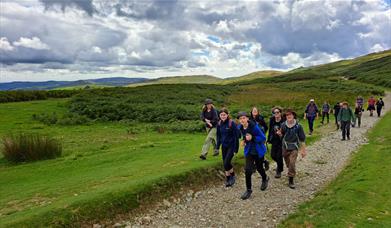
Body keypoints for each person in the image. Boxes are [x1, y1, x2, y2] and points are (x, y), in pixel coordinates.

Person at [237, 112, 269, 200]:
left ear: (247, 119)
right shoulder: (240, 127)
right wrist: (243, 141)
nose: (242, 120)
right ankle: (248, 190)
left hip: (258, 151)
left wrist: (253, 138)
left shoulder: (254, 127)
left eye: (243, 118)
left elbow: (263, 138)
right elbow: (244, 136)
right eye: (240, 119)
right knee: (248, 170)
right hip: (249, 151)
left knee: (259, 168)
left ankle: (265, 178)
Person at [278, 109, 306, 189]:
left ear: (293, 116)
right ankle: (291, 170)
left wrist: (303, 150)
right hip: (285, 147)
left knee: (292, 163)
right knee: (288, 163)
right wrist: (279, 134)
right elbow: (281, 135)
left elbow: (302, 139)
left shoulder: (298, 126)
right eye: (287, 115)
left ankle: (291, 180)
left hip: (294, 147)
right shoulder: (283, 125)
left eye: (290, 115)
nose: (289, 116)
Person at [216, 108, 240, 187]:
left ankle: (232, 176)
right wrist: (217, 146)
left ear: (227, 115)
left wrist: (236, 149)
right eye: (221, 115)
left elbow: (236, 137)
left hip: (231, 146)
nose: (223, 116)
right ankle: (228, 178)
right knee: (225, 163)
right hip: (224, 146)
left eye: (224, 115)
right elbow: (218, 136)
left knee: (226, 162)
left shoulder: (231, 123)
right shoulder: (219, 123)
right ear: (219, 115)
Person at [250, 106, 270, 171]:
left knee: (260, 150)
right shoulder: (249, 119)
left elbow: (266, 127)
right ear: (251, 112)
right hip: (252, 137)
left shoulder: (261, 118)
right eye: (253, 111)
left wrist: (263, 134)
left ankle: (265, 161)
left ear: (258, 112)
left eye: (256, 111)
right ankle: (254, 166)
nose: (255, 112)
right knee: (253, 151)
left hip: (260, 137)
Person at [268, 106, 285, 178]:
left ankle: (279, 170)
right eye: (274, 113)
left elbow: (286, 131)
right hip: (274, 140)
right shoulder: (272, 120)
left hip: (281, 141)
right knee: (273, 155)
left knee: (279, 156)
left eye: (277, 112)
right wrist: (268, 139)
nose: (276, 114)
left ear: (280, 113)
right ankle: (280, 164)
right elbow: (270, 129)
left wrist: (281, 134)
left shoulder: (284, 121)